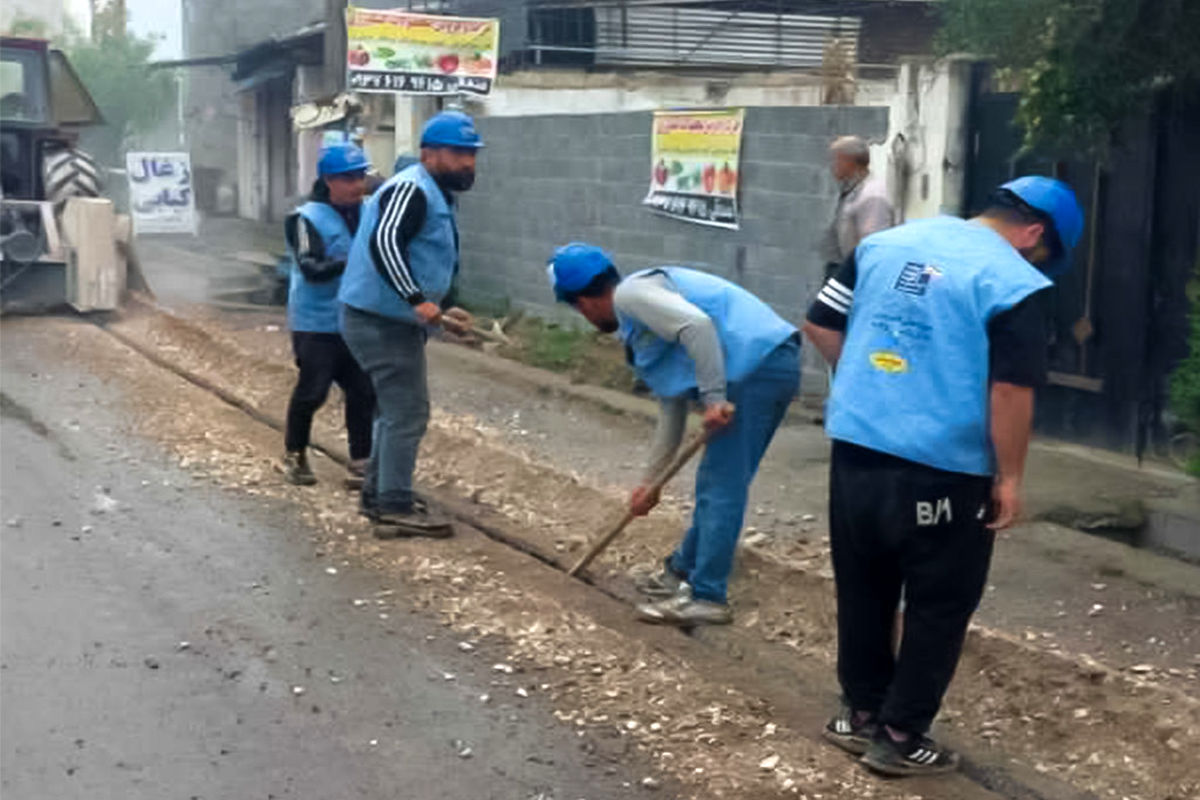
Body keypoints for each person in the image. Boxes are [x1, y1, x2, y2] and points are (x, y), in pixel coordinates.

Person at [803, 176, 1084, 777]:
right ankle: (902, 735)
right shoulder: (1014, 283)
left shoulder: (883, 244)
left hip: (856, 449)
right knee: (939, 602)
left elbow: (821, 324)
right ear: (1035, 233)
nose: (1040, 264)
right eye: (1044, 255)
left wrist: (871, 384)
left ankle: (859, 714)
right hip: (942, 469)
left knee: (864, 585)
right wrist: (1010, 477)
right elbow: (1010, 390)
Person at [547, 244, 801, 627]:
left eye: (579, 310)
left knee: (720, 484)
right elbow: (671, 407)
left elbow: (698, 327)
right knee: (721, 480)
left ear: (582, 302)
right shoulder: (640, 321)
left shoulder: (632, 295)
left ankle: (707, 596)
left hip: (756, 367)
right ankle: (679, 571)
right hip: (765, 364)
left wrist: (714, 398)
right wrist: (650, 483)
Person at [338, 110, 481, 539]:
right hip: (379, 321)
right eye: (458, 153)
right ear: (428, 153)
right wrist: (417, 300)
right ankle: (394, 504)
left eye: (472, 154)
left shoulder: (433, 192)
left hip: (385, 318)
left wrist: (441, 305)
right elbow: (386, 243)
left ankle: (379, 495)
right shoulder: (412, 189)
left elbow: (421, 253)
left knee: (395, 411)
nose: (468, 162)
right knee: (408, 413)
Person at [281, 143, 376, 489]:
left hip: (356, 318)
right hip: (316, 322)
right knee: (313, 391)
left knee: (363, 391)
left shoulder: (369, 212)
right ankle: (295, 454)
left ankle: (361, 461)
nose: (356, 185)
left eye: (359, 177)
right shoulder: (306, 218)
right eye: (347, 178)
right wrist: (351, 264)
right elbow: (311, 268)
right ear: (328, 181)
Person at [822, 136, 894, 279]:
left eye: (837, 160)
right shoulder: (852, 189)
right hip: (841, 267)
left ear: (849, 161)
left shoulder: (873, 195)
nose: (833, 165)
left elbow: (872, 246)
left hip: (855, 274)